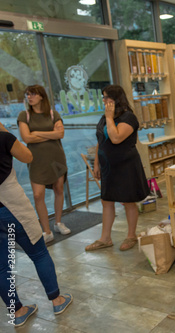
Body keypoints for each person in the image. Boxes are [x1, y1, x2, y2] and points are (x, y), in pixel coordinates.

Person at [0, 122, 73, 327]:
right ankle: (57, 300)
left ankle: (18, 311)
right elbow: (27, 156)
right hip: (12, 206)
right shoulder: (4, 138)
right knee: (39, 253)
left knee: (1, 266)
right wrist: (3, 130)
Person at [85, 85, 149, 252]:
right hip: (108, 166)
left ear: (116, 99)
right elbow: (101, 141)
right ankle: (105, 238)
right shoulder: (104, 117)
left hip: (126, 165)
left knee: (128, 201)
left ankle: (131, 235)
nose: (104, 101)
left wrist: (109, 117)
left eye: (107, 97)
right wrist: (97, 164)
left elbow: (116, 138)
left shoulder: (129, 117)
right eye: (103, 97)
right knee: (106, 200)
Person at [17, 85, 71, 243]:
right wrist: (51, 134)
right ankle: (46, 230)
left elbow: (60, 133)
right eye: (27, 94)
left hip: (56, 158)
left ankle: (58, 222)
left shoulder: (53, 114)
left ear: (41, 96)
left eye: (33, 94)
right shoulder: (24, 115)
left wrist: (37, 133)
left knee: (59, 188)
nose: (29, 97)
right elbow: (26, 138)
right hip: (36, 161)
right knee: (38, 194)